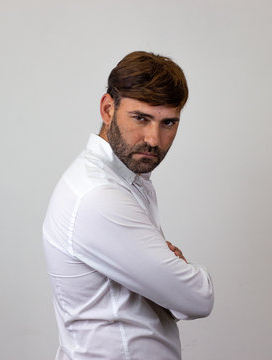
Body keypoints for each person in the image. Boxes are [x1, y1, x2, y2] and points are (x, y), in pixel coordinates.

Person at [42, 51, 214, 360]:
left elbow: (170, 299)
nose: (153, 139)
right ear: (108, 109)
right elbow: (197, 299)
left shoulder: (129, 177)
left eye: (168, 122)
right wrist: (184, 272)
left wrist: (169, 279)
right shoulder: (99, 195)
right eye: (141, 118)